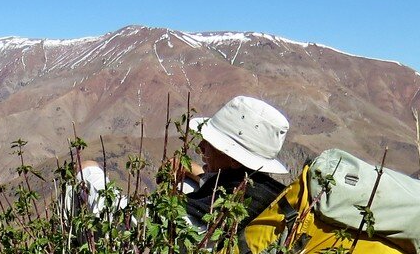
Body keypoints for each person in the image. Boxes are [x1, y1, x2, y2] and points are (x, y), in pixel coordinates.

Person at [73, 95, 290, 233]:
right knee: (185, 183)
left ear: (232, 157)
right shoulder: (268, 196)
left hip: (146, 232)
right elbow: (221, 182)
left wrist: (89, 171)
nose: (201, 148)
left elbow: (128, 220)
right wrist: (192, 170)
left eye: (211, 143)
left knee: (79, 183)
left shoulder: (204, 212)